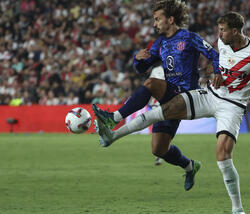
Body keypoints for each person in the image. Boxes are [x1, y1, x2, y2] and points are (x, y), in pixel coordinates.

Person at [93, 11, 250, 214]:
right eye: (219, 30)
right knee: (164, 110)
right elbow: (219, 61)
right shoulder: (221, 41)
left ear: (235, 32)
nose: (219, 34)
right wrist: (212, 70)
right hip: (210, 95)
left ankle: (238, 211)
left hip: (232, 106)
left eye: (223, 30)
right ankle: (112, 135)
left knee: (223, 155)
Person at [92, 0, 221, 191]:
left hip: (185, 95)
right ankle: (190, 166)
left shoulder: (190, 37)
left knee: (152, 84)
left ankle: (114, 118)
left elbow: (214, 54)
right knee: (158, 149)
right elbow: (143, 68)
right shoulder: (160, 42)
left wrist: (217, 71)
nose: (154, 24)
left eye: (157, 19)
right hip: (169, 96)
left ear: (170, 19)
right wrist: (138, 59)